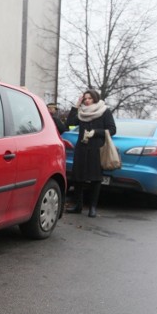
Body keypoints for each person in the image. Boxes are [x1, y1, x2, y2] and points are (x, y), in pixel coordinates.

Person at [65, 89, 116, 218]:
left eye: (90, 98)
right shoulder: (81, 112)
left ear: (95, 99)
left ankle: (92, 207)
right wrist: (76, 105)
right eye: (85, 99)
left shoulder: (104, 111)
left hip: (96, 148)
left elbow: (112, 129)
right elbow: (69, 123)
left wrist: (96, 132)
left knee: (95, 178)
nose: (87, 101)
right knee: (78, 177)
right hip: (81, 148)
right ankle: (78, 205)